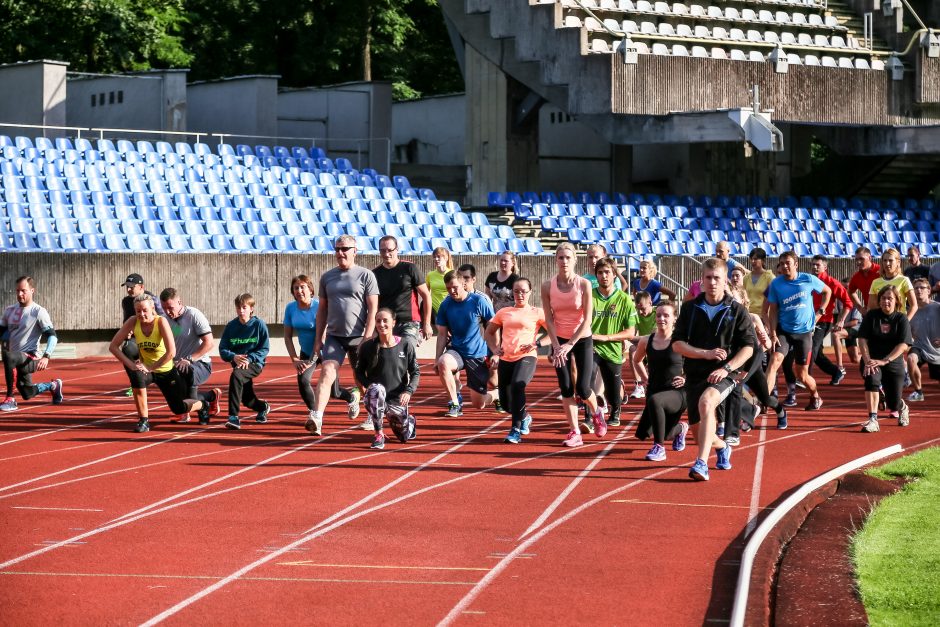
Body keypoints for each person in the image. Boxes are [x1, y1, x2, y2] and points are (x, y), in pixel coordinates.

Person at [673, 258, 755, 481]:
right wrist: (704, 353)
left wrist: (727, 368)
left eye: (717, 278)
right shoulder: (690, 308)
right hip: (695, 373)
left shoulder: (737, 310)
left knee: (707, 402)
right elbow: (677, 343)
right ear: (702, 279)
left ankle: (701, 464)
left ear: (725, 279)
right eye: (708, 278)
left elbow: (749, 347)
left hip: (724, 374)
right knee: (700, 436)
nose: (712, 282)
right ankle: (722, 447)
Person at [305, 235, 379, 436]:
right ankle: (316, 417)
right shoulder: (327, 277)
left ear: (355, 250)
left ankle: (372, 414)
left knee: (361, 379)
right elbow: (322, 310)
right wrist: (319, 337)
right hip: (334, 336)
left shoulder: (366, 276)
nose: (340, 253)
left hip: (359, 337)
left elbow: (373, 309)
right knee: (327, 372)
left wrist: (368, 337)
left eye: (345, 249)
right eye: (337, 249)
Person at [109, 294, 216, 433]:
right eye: (138, 311)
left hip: (165, 370)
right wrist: (131, 365)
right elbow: (113, 347)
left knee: (178, 408)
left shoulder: (161, 322)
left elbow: (171, 352)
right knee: (134, 369)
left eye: (145, 310)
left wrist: (150, 367)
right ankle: (143, 420)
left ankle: (203, 405)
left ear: (152, 308)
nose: (141, 314)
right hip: (147, 370)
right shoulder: (132, 321)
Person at [541, 242, 607, 447]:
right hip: (559, 340)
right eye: (560, 257)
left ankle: (597, 412)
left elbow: (588, 319)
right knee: (566, 388)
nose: (564, 261)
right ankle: (575, 431)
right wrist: (555, 345)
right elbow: (549, 319)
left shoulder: (584, 284)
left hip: (581, 338)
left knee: (584, 388)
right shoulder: (547, 286)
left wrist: (570, 343)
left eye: (568, 257)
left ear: (575, 260)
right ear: (556, 260)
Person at [766, 250, 831, 413]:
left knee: (801, 375)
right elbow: (772, 310)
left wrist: (820, 312)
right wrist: (773, 333)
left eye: (788, 263)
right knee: (774, 361)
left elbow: (827, 292)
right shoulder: (776, 284)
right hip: (784, 330)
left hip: (804, 333)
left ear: (796, 264)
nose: (784, 266)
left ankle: (815, 395)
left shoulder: (808, 279)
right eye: (782, 263)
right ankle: (764, 401)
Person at [484, 277, 546, 444]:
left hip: (526, 356)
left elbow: (553, 333)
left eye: (523, 291)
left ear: (530, 292)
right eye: (516, 291)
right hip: (506, 358)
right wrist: (495, 349)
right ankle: (524, 417)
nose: (520, 295)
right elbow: (488, 332)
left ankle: (515, 430)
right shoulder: (504, 312)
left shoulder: (537, 312)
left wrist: (537, 343)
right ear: (512, 293)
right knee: (506, 405)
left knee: (519, 385)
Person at [354, 309, 420, 449]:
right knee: (376, 390)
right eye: (378, 321)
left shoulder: (405, 345)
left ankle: (410, 421)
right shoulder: (367, 347)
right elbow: (358, 372)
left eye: (385, 321)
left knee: (403, 437)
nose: (381, 324)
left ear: (393, 323)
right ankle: (379, 435)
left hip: (397, 399)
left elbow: (415, 373)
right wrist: (368, 387)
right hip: (377, 396)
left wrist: (408, 391)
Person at [436, 270, 497, 416]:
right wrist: (437, 358)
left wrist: (495, 351)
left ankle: (496, 395)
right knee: (443, 362)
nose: (452, 291)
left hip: (477, 353)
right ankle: (455, 404)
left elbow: (494, 326)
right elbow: (442, 334)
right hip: (457, 350)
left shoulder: (478, 301)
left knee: (478, 404)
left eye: (455, 287)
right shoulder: (446, 305)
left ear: (463, 284)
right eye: (448, 288)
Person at [633, 301, 688, 462]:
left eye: (666, 315)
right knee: (644, 433)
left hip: (677, 392)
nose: (661, 318)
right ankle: (680, 429)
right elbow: (636, 361)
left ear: (674, 318)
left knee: (655, 402)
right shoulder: (646, 340)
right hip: (655, 389)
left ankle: (659, 448)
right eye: (658, 315)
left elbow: (696, 364)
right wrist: (645, 379)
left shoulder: (681, 341)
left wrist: (685, 378)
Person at [1, 276, 64, 411]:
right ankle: (53, 386)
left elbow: (52, 336)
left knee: (8, 356)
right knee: (27, 393)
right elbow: (1, 332)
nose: (19, 294)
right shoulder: (9, 311)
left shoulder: (39, 312)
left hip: (32, 358)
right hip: (16, 360)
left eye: (23, 291)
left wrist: (46, 356)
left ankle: (10, 399)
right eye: (17, 291)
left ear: (32, 291)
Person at [589, 257, 637, 430]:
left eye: (607, 272)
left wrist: (606, 337)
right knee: (587, 381)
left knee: (612, 391)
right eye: (600, 273)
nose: (604, 276)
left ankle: (615, 409)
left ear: (615, 275)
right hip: (592, 347)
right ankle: (590, 416)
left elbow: (631, 332)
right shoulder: (590, 295)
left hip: (613, 349)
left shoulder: (625, 300)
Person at [159, 288, 220, 423]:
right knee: (173, 387)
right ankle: (210, 396)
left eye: (170, 307)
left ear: (180, 302)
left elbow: (209, 343)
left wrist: (189, 359)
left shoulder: (193, 315)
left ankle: (194, 409)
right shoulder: (163, 320)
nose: (168, 312)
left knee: (185, 371)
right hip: (176, 366)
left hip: (199, 364)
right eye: (164, 308)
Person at [858, 286, 912, 432]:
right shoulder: (871, 316)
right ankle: (873, 420)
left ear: (896, 301)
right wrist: (867, 359)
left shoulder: (901, 319)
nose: (886, 301)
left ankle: (902, 407)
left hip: (893, 361)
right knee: (871, 379)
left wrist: (886, 360)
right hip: (872, 359)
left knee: (892, 403)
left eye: (890, 298)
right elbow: (862, 339)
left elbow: (903, 345)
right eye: (883, 298)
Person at [219, 293, 271, 430]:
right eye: (238, 308)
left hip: (255, 363)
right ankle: (263, 407)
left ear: (251, 309)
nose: (241, 311)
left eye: (244, 307)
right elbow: (222, 349)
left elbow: (265, 349)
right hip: (239, 363)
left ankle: (233, 417)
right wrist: (233, 357)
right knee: (248, 400)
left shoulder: (259, 325)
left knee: (236, 375)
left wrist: (250, 358)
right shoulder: (231, 326)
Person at [373, 235, 433, 341]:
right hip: (386, 323)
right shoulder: (375, 274)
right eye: (383, 251)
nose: (386, 254)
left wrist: (427, 324)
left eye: (390, 250)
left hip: (409, 322)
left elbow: (426, 296)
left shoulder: (410, 268)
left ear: (397, 250)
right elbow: (374, 304)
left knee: (406, 350)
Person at [283, 275, 321, 426]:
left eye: (302, 287)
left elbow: (322, 336)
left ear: (310, 289)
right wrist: (295, 359)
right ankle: (314, 414)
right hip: (305, 351)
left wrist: (312, 359)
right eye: (296, 288)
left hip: (324, 350)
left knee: (333, 390)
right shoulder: (290, 308)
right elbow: (287, 336)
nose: (299, 290)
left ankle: (351, 398)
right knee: (303, 380)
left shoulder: (319, 307)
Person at [809, 256, 853, 386]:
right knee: (816, 354)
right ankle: (836, 372)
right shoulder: (808, 281)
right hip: (808, 321)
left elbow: (848, 303)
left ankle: (805, 376)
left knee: (812, 347)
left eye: (817, 265)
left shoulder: (832, 283)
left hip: (824, 321)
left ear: (825, 267)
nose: (814, 267)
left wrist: (841, 321)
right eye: (813, 265)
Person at [119, 273, 164, 396]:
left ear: (141, 287)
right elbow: (127, 322)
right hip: (137, 339)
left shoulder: (152, 300)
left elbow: (167, 320)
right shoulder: (126, 301)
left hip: (157, 338)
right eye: (127, 286)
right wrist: (127, 332)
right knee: (127, 348)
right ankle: (136, 383)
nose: (128, 290)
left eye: (131, 287)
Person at [906, 278, 940, 402]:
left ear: (929, 290)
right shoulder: (910, 311)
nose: (919, 290)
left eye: (922, 288)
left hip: (937, 350)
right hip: (919, 346)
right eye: (916, 288)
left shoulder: (937, 307)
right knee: (911, 359)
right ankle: (918, 391)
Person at [868, 248, 917, 320]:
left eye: (890, 260)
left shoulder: (904, 280)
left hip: (898, 323)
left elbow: (914, 306)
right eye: (885, 260)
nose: (887, 263)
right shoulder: (875, 282)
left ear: (898, 262)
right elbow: (871, 307)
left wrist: (905, 322)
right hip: (881, 324)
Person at [627, 291, 656, 399]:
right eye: (638, 308)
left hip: (659, 345)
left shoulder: (657, 313)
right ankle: (639, 385)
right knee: (632, 350)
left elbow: (654, 336)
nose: (640, 311)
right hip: (643, 345)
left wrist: (633, 338)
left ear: (650, 303)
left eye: (643, 308)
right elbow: (631, 335)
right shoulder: (636, 314)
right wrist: (633, 338)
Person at [848, 247, 880, 315]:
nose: (858, 262)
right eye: (856, 259)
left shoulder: (880, 272)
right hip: (868, 315)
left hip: (884, 313)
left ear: (869, 258)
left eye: (861, 259)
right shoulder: (856, 277)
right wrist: (860, 308)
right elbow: (850, 292)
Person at [745, 247, 773, 319]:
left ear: (763, 261)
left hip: (763, 317)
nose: (753, 261)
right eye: (751, 259)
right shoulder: (746, 278)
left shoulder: (770, 277)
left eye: (756, 259)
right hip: (748, 316)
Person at [426, 246, 453, 318]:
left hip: (450, 309)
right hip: (434, 311)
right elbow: (426, 294)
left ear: (446, 258)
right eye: (434, 257)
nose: (436, 259)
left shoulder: (452, 274)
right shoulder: (430, 275)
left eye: (438, 257)